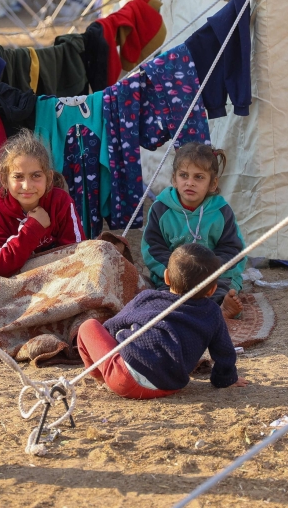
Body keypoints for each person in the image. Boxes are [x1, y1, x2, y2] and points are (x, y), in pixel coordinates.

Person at [76, 244, 248, 399]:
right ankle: (108, 375)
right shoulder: (213, 312)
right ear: (212, 290)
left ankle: (99, 377)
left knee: (88, 326)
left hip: (124, 380)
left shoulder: (148, 297)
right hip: (170, 385)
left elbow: (113, 326)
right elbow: (224, 352)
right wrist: (227, 379)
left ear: (166, 277)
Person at [141, 142, 246, 319]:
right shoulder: (161, 208)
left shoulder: (221, 211)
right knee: (165, 297)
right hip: (175, 276)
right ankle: (195, 313)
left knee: (220, 291)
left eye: (199, 177)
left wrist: (209, 271)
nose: (190, 183)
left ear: (212, 183)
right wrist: (173, 271)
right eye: (184, 175)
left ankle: (223, 309)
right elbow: (153, 248)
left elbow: (232, 249)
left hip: (212, 277)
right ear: (174, 179)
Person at [0, 129, 84, 277]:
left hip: (59, 278)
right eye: (18, 177)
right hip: (17, 281)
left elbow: (78, 252)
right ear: (5, 180)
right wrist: (33, 227)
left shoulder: (61, 202)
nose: (27, 186)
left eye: (36, 176)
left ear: (48, 178)